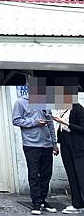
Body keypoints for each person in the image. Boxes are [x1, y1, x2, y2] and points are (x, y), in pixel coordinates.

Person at [12, 79, 59, 215]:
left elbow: (50, 124)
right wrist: (34, 122)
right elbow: (16, 120)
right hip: (31, 144)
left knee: (46, 174)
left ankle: (43, 200)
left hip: (47, 144)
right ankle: (36, 203)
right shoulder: (21, 102)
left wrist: (54, 144)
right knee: (34, 174)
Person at [52, 85, 84, 215]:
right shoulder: (62, 109)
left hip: (78, 146)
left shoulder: (78, 108)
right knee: (71, 175)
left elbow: (82, 129)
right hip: (65, 145)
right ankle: (77, 204)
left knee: (81, 176)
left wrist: (65, 123)